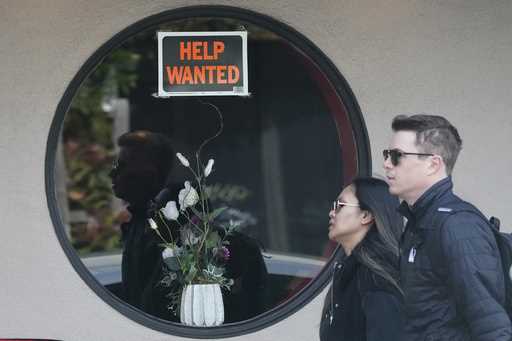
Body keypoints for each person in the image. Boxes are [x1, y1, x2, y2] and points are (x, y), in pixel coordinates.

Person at [109, 130, 268, 322]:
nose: (113, 172)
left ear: (149, 172)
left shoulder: (215, 248)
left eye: (121, 165)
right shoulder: (138, 229)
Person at [383, 114, 512, 341]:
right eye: (387, 154)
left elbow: (491, 324)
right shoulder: (420, 221)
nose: (386, 163)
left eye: (396, 156)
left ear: (433, 164)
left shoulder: (457, 227)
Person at [319, 177, 404, 341]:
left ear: (366, 215)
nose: (331, 212)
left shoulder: (377, 280)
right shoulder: (347, 271)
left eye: (340, 205)